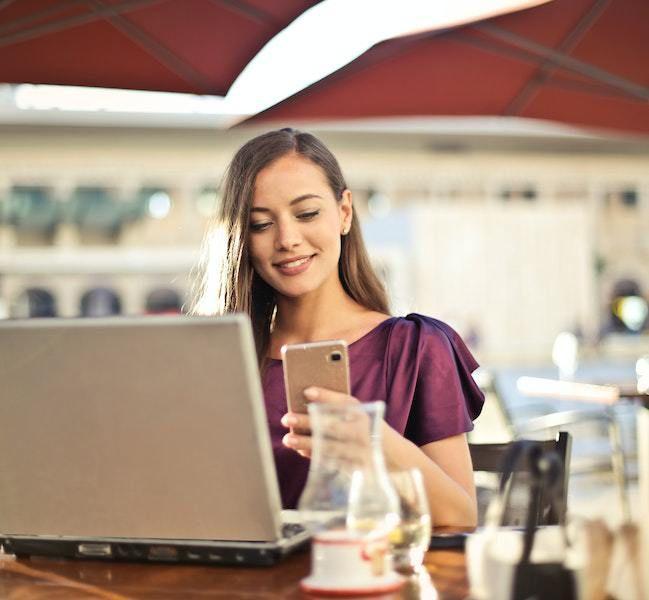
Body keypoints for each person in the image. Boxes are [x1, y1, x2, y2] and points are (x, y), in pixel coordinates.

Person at [194, 128, 484, 527]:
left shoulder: (415, 347)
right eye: (261, 224)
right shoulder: (217, 359)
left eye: (307, 213)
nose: (288, 239)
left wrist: (374, 443)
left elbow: (462, 515)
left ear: (344, 212)